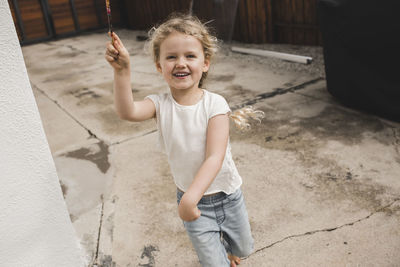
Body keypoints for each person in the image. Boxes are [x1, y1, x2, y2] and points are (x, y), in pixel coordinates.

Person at [105, 13, 260, 267]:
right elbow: (127, 112)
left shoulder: (215, 104)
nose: (180, 63)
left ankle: (232, 251)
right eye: (171, 57)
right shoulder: (159, 104)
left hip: (227, 196)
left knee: (243, 247)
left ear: (205, 63)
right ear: (159, 66)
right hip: (191, 203)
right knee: (213, 263)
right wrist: (123, 72)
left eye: (190, 56)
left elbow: (215, 157)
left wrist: (191, 197)